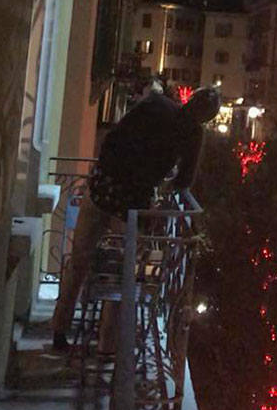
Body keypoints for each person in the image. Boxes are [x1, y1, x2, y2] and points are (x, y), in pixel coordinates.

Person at [51, 86, 220, 352]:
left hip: (102, 189)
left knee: (80, 261)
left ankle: (60, 329)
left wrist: (107, 171)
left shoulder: (157, 105)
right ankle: (107, 344)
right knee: (123, 273)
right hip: (130, 207)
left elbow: (113, 137)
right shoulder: (192, 134)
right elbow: (184, 180)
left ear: (191, 99)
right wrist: (156, 188)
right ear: (207, 118)